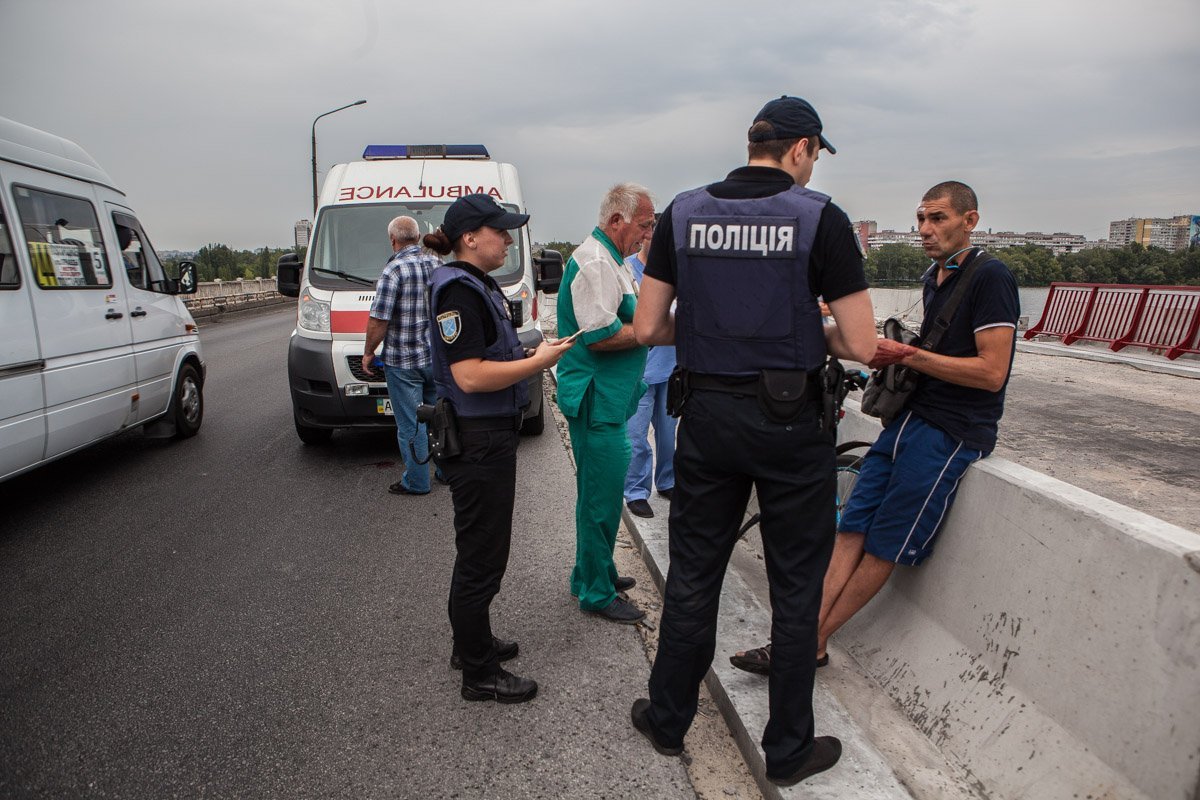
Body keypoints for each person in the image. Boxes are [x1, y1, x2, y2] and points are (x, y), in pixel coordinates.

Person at [629, 95, 883, 786]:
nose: (812, 168)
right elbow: (859, 343)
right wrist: (804, 333)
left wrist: (717, 329)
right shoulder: (820, 218)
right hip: (792, 423)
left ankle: (667, 717)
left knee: (694, 574)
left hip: (707, 417)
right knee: (797, 588)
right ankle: (789, 750)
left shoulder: (684, 210)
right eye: (815, 156)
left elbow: (651, 328)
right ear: (801, 148)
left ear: (753, 144)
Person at [734, 181, 1019, 681]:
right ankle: (799, 641)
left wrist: (909, 355)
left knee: (885, 542)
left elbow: (992, 372)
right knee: (850, 528)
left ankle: (807, 644)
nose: (926, 230)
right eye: (921, 219)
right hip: (908, 421)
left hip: (950, 431)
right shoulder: (936, 278)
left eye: (938, 219)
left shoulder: (991, 278)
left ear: (970, 221)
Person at [424, 193, 575, 704]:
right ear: (471, 237)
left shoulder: (474, 286)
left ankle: (472, 645)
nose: (509, 239)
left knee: (479, 552)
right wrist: (540, 362)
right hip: (478, 441)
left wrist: (530, 352)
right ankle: (479, 674)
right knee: (482, 558)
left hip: (486, 438)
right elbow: (468, 376)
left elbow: (486, 356)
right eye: (501, 231)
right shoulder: (458, 294)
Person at [556, 183, 655, 624]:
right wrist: (657, 332)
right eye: (644, 225)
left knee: (601, 495)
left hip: (610, 403)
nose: (647, 234)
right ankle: (596, 594)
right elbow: (601, 336)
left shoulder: (612, 261)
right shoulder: (596, 261)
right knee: (600, 499)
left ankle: (593, 572)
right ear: (617, 220)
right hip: (597, 402)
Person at [362, 216, 442, 495]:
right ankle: (445, 471)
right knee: (438, 417)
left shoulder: (393, 271)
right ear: (418, 238)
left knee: (411, 423)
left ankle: (417, 482)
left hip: (403, 362)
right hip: (435, 359)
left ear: (393, 240)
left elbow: (379, 320)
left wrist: (369, 352)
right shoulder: (436, 265)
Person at [623, 227, 677, 519]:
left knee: (669, 433)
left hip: (672, 365)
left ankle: (667, 481)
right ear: (644, 237)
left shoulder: (677, 272)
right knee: (637, 433)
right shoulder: (629, 270)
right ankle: (636, 490)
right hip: (641, 367)